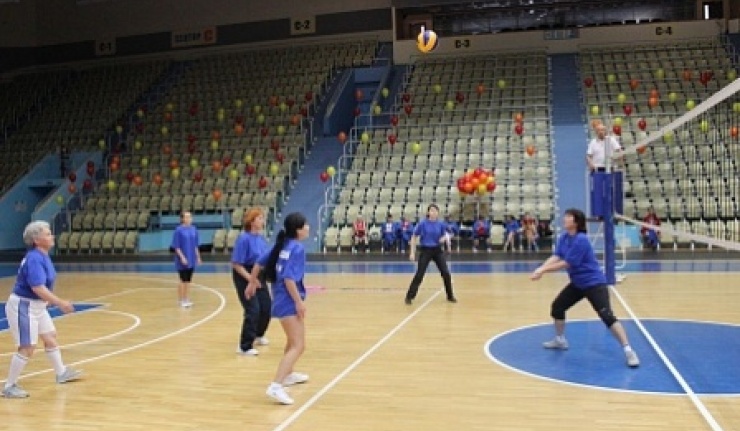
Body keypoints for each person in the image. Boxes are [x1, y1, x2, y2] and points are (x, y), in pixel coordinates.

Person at [530, 208, 640, 368]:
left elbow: (567, 263)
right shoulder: (564, 237)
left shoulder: (581, 240)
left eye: (569, 217)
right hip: (578, 283)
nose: (565, 218)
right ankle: (560, 340)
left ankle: (629, 350)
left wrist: (543, 270)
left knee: (607, 316)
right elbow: (556, 256)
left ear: (576, 222)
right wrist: (540, 268)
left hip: (594, 283)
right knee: (558, 307)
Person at [2, 221, 82, 399]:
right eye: (47, 234)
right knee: (27, 347)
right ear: (36, 240)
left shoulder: (42, 256)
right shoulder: (34, 259)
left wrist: (46, 301)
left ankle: (61, 373)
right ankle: (9, 386)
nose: (52, 236)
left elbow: (43, 286)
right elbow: (37, 287)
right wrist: (59, 302)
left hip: (36, 305)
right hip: (24, 306)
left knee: (50, 336)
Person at [249, 212, 310, 405]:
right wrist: (298, 302)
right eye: (305, 225)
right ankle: (275, 386)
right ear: (298, 230)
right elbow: (289, 279)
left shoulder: (282, 244)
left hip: (280, 298)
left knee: (292, 341)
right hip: (288, 301)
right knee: (299, 345)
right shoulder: (297, 248)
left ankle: (288, 374)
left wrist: (252, 282)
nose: (308, 228)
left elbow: (258, 263)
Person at [231, 208, 272, 356]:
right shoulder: (243, 239)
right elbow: (236, 264)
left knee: (266, 307)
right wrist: (251, 279)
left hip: (258, 274)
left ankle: (258, 334)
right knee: (253, 309)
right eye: (260, 218)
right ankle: (244, 346)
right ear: (252, 221)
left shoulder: (261, 238)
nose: (263, 221)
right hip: (244, 275)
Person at [405, 204, 457, 305]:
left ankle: (450, 296)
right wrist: (412, 252)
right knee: (420, 274)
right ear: (428, 212)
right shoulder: (422, 224)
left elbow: (450, 233)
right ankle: (409, 296)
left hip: (437, 250)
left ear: (438, 213)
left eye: (435, 211)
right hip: (425, 250)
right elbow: (414, 236)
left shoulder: (441, 224)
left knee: (446, 273)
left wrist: (445, 237)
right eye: (431, 210)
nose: (433, 212)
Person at [171, 211, 201, 307]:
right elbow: (176, 246)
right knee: (183, 280)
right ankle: (181, 299)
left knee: (188, 280)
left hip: (191, 258)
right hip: (182, 258)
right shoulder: (178, 230)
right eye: (187, 217)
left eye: (190, 217)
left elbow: (195, 245)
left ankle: (186, 298)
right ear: (182, 219)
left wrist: (198, 256)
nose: (189, 219)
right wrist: (182, 257)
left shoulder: (194, 229)